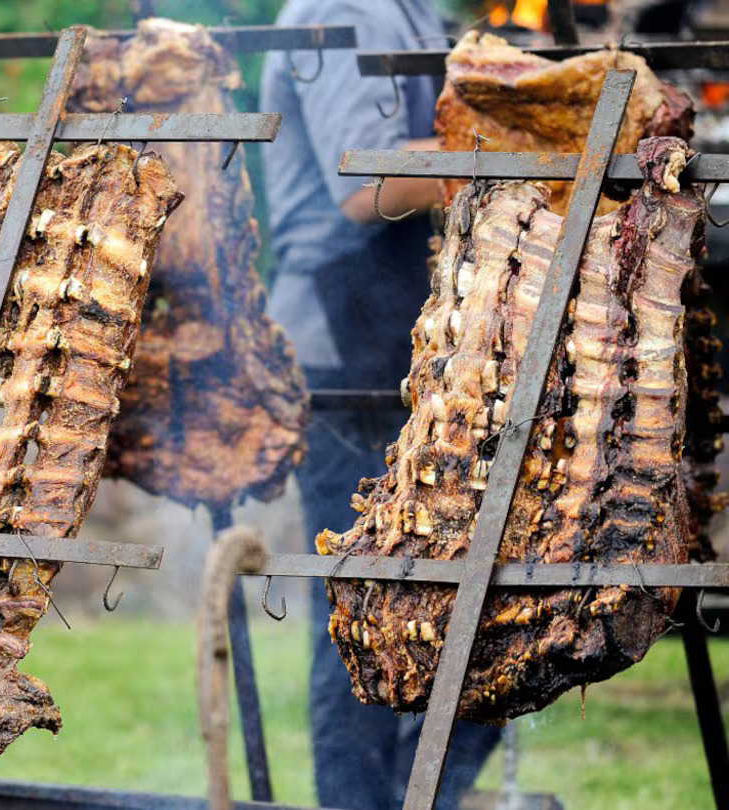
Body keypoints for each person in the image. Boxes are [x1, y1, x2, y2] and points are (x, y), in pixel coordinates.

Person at [259, 1, 502, 808]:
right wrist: (528, 150)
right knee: (364, 618)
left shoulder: (413, 9)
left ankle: (419, 797)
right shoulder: (341, 8)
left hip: (410, 339)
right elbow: (364, 185)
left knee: (482, 611)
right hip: (342, 338)